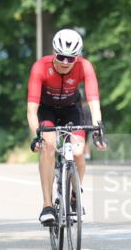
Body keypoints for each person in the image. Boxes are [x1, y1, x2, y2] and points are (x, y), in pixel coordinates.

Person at [28, 28, 106, 227]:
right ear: (54, 52)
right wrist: (36, 136)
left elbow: (93, 101)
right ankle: (47, 206)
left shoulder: (85, 67)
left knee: (79, 152)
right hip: (47, 111)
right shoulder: (40, 67)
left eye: (71, 59)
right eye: (61, 56)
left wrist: (98, 128)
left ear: (77, 57)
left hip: (72, 109)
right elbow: (31, 109)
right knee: (49, 146)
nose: (65, 62)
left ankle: (74, 194)